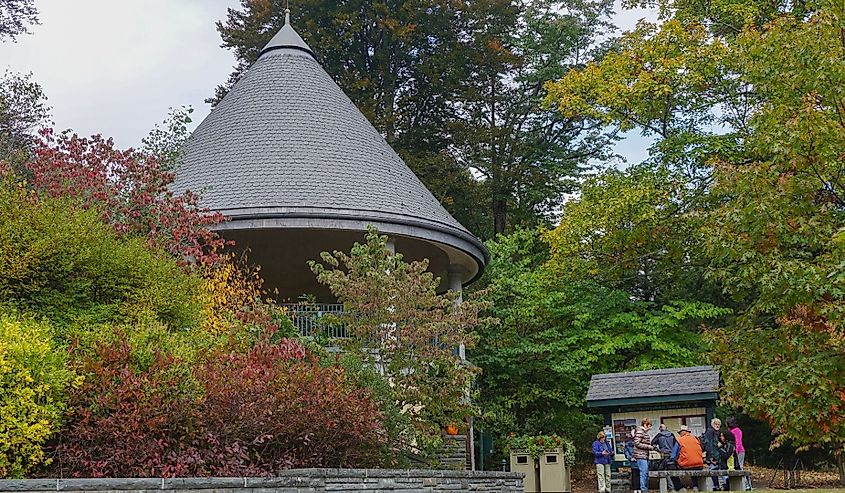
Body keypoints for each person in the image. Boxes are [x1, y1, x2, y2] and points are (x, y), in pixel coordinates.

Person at [670, 425, 703, 490]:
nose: (679, 435)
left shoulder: (679, 440)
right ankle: (695, 486)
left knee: (670, 468)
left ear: (682, 433)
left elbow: (673, 456)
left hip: (686, 465)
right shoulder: (695, 438)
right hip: (699, 464)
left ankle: (680, 488)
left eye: (679, 433)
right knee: (693, 465)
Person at [727, 417, 752, 491]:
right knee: (736, 467)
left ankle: (747, 485)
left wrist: (736, 451)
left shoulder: (737, 431)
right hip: (735, 451)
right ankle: (743, 484)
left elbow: (738, 442)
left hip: (739, 451)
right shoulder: (731, 430)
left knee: (740, 467)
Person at [633, 418, 656, 493]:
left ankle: (645, 489)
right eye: (650, 426)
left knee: (645, 473)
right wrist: (649, 447)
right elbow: (637, 443)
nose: (651, 428)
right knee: (643, 473)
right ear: (645, 425)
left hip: (644, 455)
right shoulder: (640, 431)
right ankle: (644, 489)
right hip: (641, 455)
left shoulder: (643, 432)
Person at [702, 418, 723, 491]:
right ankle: (716, 486)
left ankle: (717, 486)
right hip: (712, 456)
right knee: (713, 470)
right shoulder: (710, 432)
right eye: (716, 424)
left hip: (717, 455)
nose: (717, 426)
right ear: (712, 424)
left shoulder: (717, 432)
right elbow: (709, 445)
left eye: (718, 424)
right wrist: (711, 457)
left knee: (716, 471)